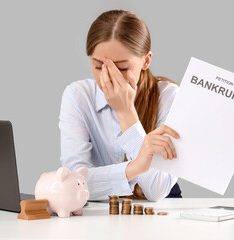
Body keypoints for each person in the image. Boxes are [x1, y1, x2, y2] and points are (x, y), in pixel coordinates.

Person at [58, 9, 182, 201]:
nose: (107, 76)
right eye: (98, 66)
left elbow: (157, 190)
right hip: (103, 210)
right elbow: (72, 183)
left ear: (146, 61)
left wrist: (126, 112)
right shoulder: (78, 96)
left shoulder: (170, 97)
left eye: (122, 68)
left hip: (160, 211)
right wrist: (135, 167)